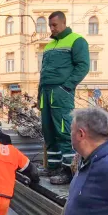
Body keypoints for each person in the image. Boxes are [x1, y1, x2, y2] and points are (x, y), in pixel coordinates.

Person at [38, 11, 90, 184]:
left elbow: (83, 66)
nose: (51, 29)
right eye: (50, 25)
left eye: (54, 25)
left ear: (63, 23)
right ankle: (53, 167)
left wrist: (67, 86)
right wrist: (40, 96)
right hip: (46, 93)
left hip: (61, 92)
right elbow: (43, 72)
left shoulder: (76, 40)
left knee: (64, 131)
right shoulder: (48, 46)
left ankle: (68, 170)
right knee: (49, 131)